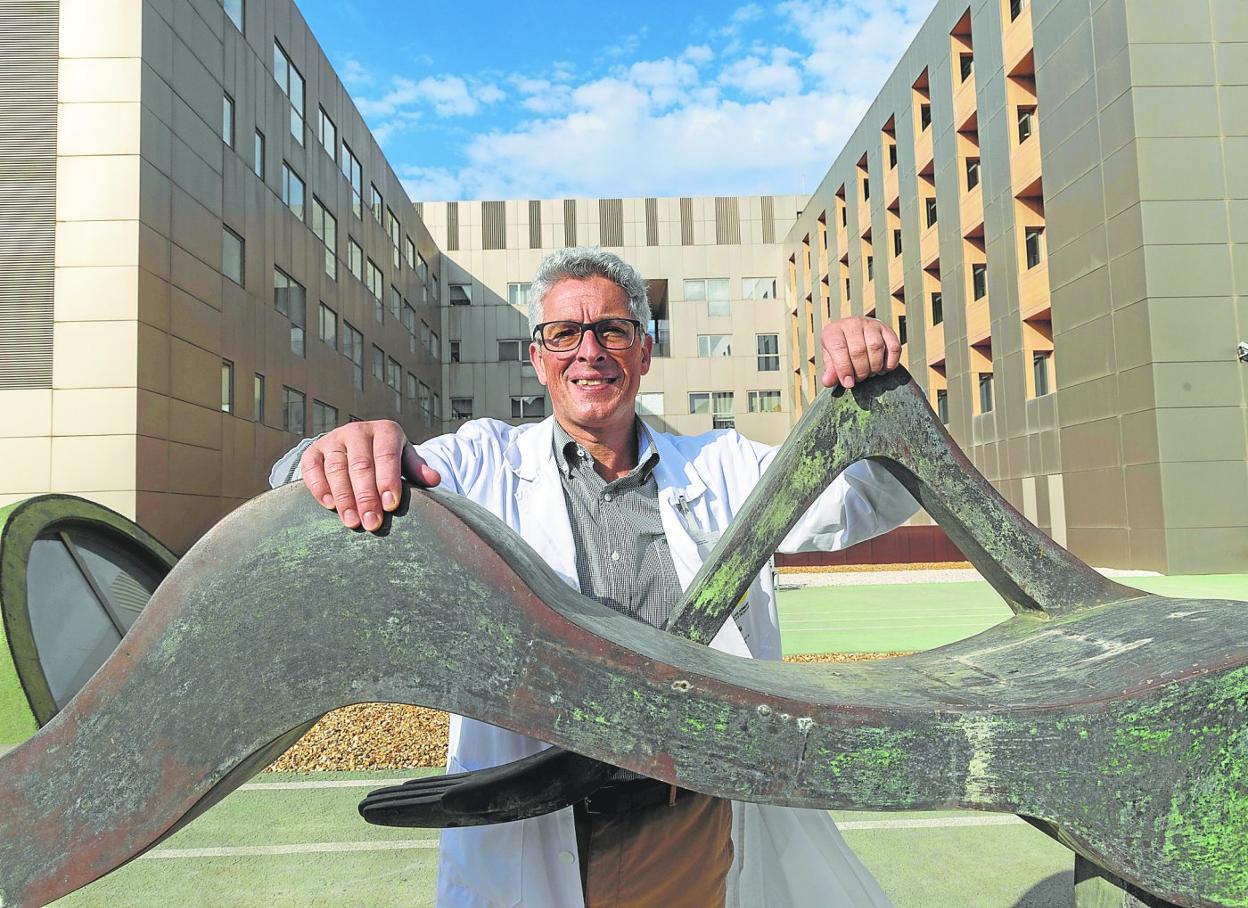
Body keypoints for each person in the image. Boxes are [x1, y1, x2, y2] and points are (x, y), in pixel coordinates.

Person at [271, 247, 917, 907]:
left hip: (684, 825)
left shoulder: (723, 468)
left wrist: (875, 391)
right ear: (538, 358)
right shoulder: (480, 463)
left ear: (643, 352)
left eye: (612, 330)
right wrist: (328, 455)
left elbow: (868, 497)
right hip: (528, 813)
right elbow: (327, 491)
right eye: (564, 334)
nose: (590, 351)